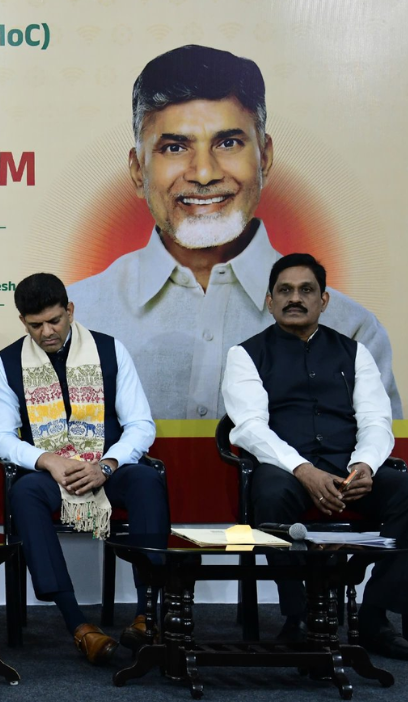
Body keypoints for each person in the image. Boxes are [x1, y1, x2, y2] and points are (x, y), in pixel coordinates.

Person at [68, 44, 399, 420]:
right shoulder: (75, 319)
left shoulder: (351, 330)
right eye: (175, 147)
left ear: (265, 158)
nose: (204, 173)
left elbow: (377, 452)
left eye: (228, 143)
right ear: (138, 170)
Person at [223, 253, 408, 658]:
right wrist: (303, 469)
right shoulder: (246, 354)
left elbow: (376, 419)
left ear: (323, 301)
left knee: (404, 490)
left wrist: (364, 465)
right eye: (285, 290)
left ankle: (375, 615)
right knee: (269, 493)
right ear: (269, 300)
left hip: (347, 468)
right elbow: (250, 428)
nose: (295, 298)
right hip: (286, 470)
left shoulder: (354, 352)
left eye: (306, 290)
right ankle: (298, 616)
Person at [0, 273, 166, 664]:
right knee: (24, 493)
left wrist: (108, 464)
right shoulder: (8, 362)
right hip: (52, 474)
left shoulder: (110, 350)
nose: (47, 332)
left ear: (70, 310)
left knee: (147, 480)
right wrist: (46, 460)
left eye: (55, 320)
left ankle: (147, 614)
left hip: (108, 467)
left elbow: (140, 425)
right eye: (36, 325)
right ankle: (78, 625)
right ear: (22, 322)